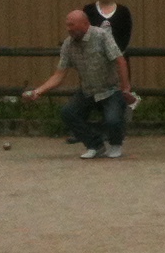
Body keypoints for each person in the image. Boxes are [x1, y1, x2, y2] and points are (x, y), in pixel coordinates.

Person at [22, 9, 133, 158]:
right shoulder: (68, 45)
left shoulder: (102, 36)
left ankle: (116, 144)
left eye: (72, 25)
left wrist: (125, 88)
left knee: (112, 120)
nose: (69, 29)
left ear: (85, 24)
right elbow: (59, 75)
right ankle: (95, 145)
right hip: (88, 91)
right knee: (68, 113)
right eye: (67, 26)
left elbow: (120, 60)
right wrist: (38, 92)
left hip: (111, 89)